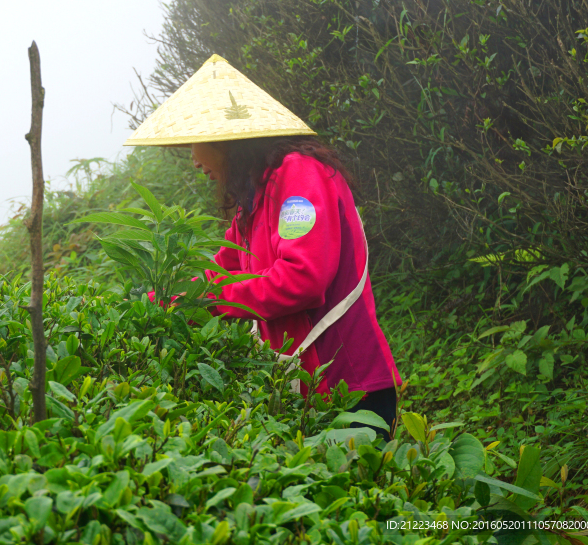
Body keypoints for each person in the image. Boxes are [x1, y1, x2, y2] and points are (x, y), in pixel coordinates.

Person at [124, 55, 402, 438]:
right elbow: (220, 271)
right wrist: (162, 300)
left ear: (225, 141)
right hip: (303, 386)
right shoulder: (252, 200)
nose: (193, 160)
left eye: (195, 143)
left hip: (348, 384)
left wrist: (210, 301)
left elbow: (303, 278)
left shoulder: (298, 174)